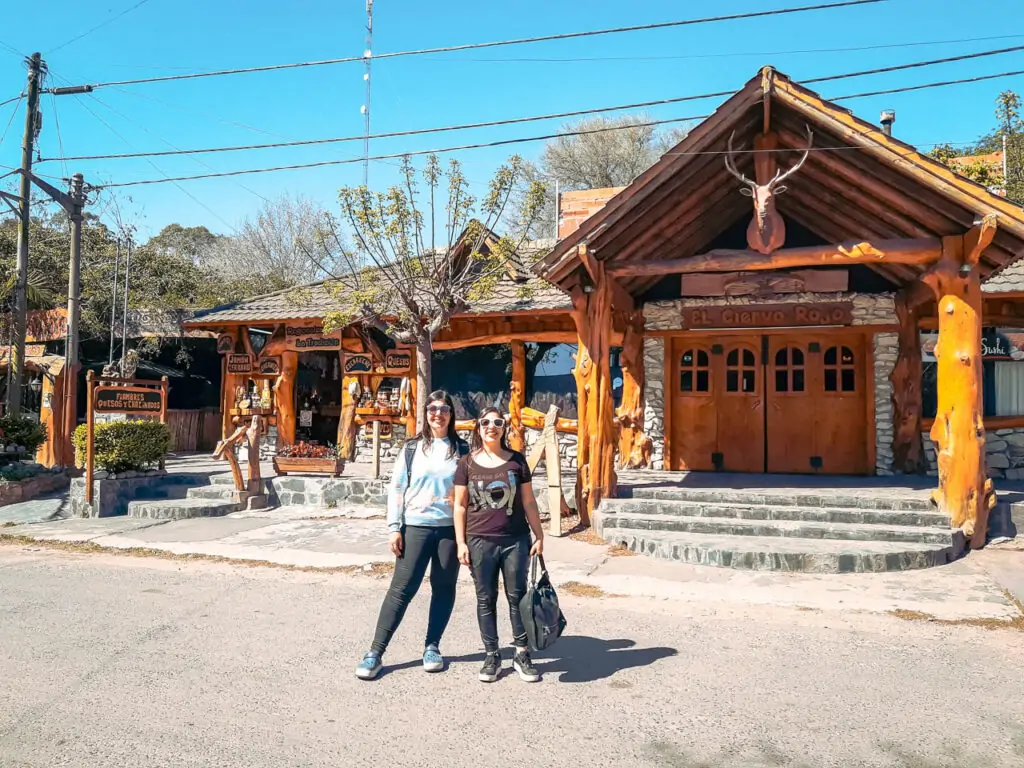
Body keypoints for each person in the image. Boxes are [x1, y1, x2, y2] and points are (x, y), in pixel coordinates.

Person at [355, 390, 469, 680]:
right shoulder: (411, 448)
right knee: (401, 590)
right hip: (415, 528)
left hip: (448, 531)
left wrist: (467, 537)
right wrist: (394, 527)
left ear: (451, 414)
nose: (438, 414)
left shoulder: (463, 449)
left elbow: (470, 494)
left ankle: (432, 647)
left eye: (444, 408)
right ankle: (375, 653)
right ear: (426, 413)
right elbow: (396, 488)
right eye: (432, 408)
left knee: (443, 589)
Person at [453, 406, 545, 683]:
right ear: (478, 428)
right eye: (485, 422)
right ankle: (492, 655)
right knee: (486, 598)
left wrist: (539, 535)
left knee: (517, 598)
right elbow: (459, 505)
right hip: (479, 541)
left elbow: (528, 501)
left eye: (497, 422)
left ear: (504, 428)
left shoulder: (517, 461)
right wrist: (460, 542)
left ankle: (521, 653)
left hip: (515, 540)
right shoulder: (466, 463)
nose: (491, 427)